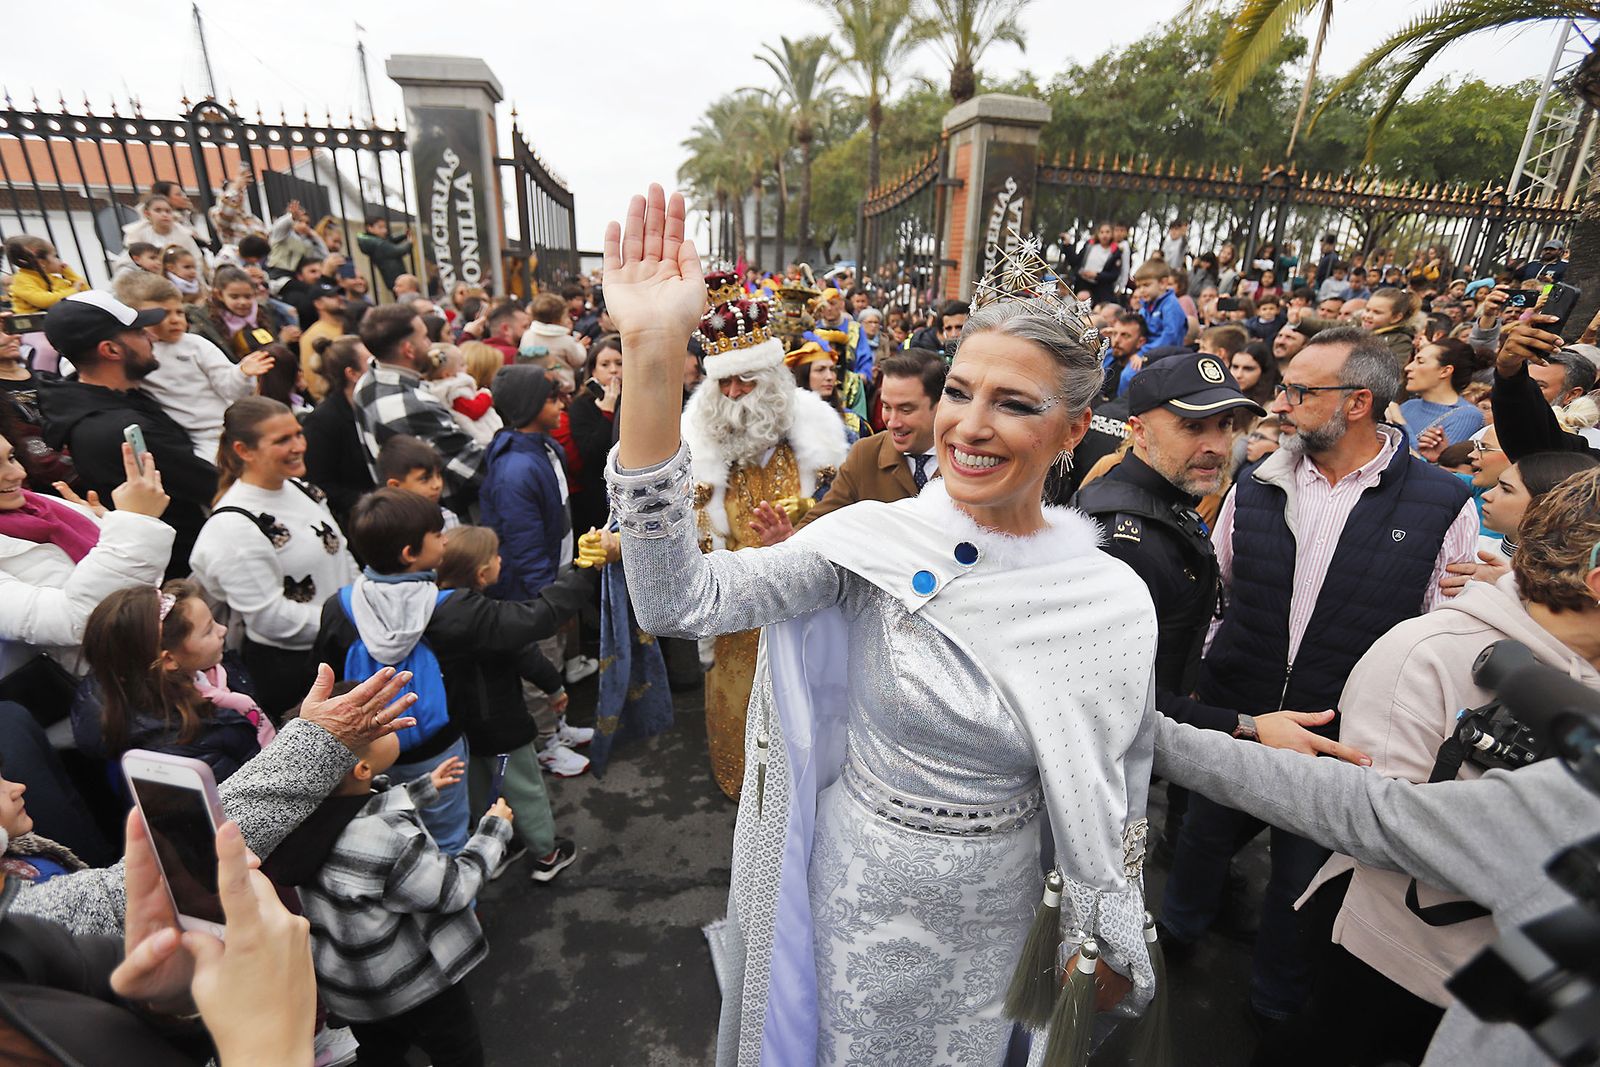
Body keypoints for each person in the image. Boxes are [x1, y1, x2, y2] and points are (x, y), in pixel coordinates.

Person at [604, 186, 1158, 1064]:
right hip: (857, 894)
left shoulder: (1113, 600)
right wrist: (649, 350)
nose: (969, 426)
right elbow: (677, 600)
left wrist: (1110, 920)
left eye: (1013, 403)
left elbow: (1116, 774)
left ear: (1074, 429)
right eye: (961, 392)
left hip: (1001, 909)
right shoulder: (871, 541)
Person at [1160, 326, 1479, 1027]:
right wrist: (1217, 671)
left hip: (1341, 738)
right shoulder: (1259, 478)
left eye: (1301, 391)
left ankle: (1273, 1008)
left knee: (1299, 884)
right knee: (1201, 842)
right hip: (1240, 713)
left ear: (1358, 401)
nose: (1282, 402)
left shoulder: (1441, 502)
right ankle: (1171, 946)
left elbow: (1439, 631)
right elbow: (1222, 587)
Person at [313, 488, 595, 854]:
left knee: (395, 838)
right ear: (410, 553)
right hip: (438, 746)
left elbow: (326, 679)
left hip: (370, 750)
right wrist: (586, 571)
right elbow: (535, 620)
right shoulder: (450, 609)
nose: (445, 539)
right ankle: (459, 900)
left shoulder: (340, 606)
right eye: (436, 535)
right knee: (448, 839)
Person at [667, 267, 849, 800]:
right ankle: (745, 789)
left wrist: (808, 516)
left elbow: (852, 521)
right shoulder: (696, 447)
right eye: (723, 382)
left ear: (771, 382)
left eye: (744, 380)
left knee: (808, 718)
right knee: (739, 709)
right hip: (735, 615)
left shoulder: (822, 443)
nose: (733, 393)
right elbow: (683, 532)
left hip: (805, 607)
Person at [284, 729, 507, 1067]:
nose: (395, 726)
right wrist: (493, 831)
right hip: (413, 986)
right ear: (361, 769)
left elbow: (361, 805)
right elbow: (453, 888)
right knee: (457, 1050)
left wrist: (422, 788)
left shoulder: (302, 814)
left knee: (380, 1051)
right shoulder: (387, 840)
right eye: (383, 728)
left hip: (350, 988)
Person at [190, 398, 358, 720]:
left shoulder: (301, 489)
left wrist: (361, 606)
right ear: (243, 450)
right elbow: (270, 617)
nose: (298, 446)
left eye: (298, 433)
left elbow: (341, 554)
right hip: (297, 671)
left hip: (341, 644)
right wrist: (349, 621)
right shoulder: (234, 526)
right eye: (282, 440)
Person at [39, 292, 219, 579]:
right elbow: (215, 487)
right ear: (111, 350)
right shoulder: (121, 428)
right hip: (189, 572)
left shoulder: (92, 398)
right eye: (137, 331)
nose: (152, 337)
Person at [436, 526, 578, 882]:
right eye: (496, 556)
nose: (502, 560)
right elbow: (528, 658)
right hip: (504, 724)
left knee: (481, 790)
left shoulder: (433, 613)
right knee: (525, 789)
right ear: (483, 573)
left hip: (461, 726)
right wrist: (555, 688)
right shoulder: (490, 618)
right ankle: (547, 852)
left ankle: (495, 849)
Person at [479, 365, 593, 777]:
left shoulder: (546, 448)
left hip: (554, 578)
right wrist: (549, 603)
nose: (560, 403)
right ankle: (544, 741)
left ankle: (557, 726)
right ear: (528, 407)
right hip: (533, 592)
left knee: (554, 658)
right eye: (550, 398)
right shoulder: (516, 469)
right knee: (537, 668)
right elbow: (524, 548)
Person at [0, 437, 171, 679]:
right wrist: (135, 523)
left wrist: (112, 523)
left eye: (11, 457)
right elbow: (75, 621)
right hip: (108, 695)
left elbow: (133, 571)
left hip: (151, 660)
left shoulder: (37, 504)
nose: (18, 473)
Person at [76, 581, 264, 783]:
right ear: (169, 660)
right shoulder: (187, 747)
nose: (223, 630)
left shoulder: (202, 671)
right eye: (208, 630)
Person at [755, 349, 946, 547]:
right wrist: (790, 541)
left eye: (906, 410)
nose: (892, 422)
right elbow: (820, 522)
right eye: (886, 407)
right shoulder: (866, 454)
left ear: (940, 406)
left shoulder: (969, 456)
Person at [112, 271, 271, 463]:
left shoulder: (195, 345)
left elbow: (229, 386)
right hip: (196, 439)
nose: (175, 320)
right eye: (162, 314)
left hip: (227, 424)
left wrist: (242, 373)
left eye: (179, 312)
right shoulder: (134, 354)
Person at [353, 303, 487, 509]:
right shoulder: (410, 405)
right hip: (443, 517)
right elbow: (475, 467)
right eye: (425, 337)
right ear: (409, 350)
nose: (431, 344)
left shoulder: (366, 381)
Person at [302, 335, 378, 528]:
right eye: (371, 363)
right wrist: (373, 501)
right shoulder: (323, 421)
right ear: (352, 373)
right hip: (362, 521)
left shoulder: (379, 405)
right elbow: (320, 483)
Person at [0, 321, 79, 492]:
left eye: (9, 330)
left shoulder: (47, 378)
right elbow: (35, 455)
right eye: (1, 333)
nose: (12, 336)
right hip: (53, 483)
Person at [567, 334, 624, 535]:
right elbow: (591, 454)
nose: (613, 370)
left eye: (619, 363)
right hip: (596, 495)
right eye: (605, 364)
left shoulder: (633, 399)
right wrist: (607, 412)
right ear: (593, 370)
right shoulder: (581, 406)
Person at [185, 264, 296, 360]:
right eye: (234, 297)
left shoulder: (263, 313)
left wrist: (282, 341)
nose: (242, 302)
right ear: (219, 295)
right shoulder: (205, 326)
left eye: (248, 296)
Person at [421, 343, 503, 448]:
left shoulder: (436, 389)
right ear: (447, 374)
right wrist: (485, 395)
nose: (467, 367)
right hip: (479, 438)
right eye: (462, 365)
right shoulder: (453, 390)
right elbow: (473, 410)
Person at [3, 235, 87, 315]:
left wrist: (70, 274)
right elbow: (43, 301)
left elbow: (86, 293)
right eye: (54, 256)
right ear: (41, 261)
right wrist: (74, 289)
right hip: (33, 324)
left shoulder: (54, 279)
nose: (58, 260)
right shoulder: (21, 279)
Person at [296, 280, 347, 402]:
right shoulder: (312, 335)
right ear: (318, 304)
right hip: (335, 399)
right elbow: (311, 376)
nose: (339, 298)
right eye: (331, 297)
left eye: (339, 294)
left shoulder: (350, 324)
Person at [518, 293, 585, 371]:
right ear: (559, 318)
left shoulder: (528, 335)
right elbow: (578, 360)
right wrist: (580, 346)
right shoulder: (565, 340)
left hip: (532, 378)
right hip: (560, 381)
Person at [1133, 261, 1188, 355]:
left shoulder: (1170, 305)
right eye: (1139, 286)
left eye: (1146, 285)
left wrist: (1143, 352)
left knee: (1130, 369)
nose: (1141, 290)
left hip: (1163, 357)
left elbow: (1170, 337)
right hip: (1146, 351)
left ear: (1163, 283)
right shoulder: (1146, 307)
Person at [1361, 287, 1418, 372]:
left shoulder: (1400, 341)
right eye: (1367, 310)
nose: (1368, 316)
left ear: (1396, 317)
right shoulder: (1357, 329)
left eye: (1377, 312)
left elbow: (1392, 372)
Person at [356, 215, 413, 297]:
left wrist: (403, 235)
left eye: (384, 227)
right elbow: (397, 251)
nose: (385, 230)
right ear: (370, 228)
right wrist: (409, 242)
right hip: (395, 277)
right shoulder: (377, 244)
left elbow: (390, 240)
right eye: (380, 227)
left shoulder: (374, 240)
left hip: (394, 277)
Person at [1075, 222, 1124, 305]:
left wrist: (1097, 275)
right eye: (1102, 232)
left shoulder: (1116, 252)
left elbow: (1114, 275)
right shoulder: (1090, 246)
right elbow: (1076, 261)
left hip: (1101, 290)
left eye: (1107, 232)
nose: (1104, 235)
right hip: (1083, 284)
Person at [1228, 342, 1281, 407]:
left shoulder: (1273, 407)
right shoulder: (1221, 397)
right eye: (1235, 367)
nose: (1238, 375)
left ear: (1264, 371)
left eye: (1248, 369)